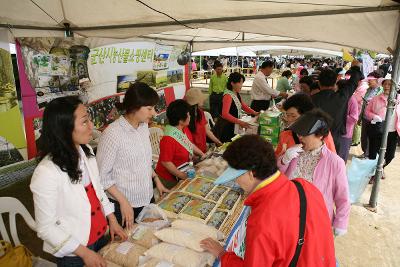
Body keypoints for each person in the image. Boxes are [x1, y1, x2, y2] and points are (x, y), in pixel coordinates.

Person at [200, 135, 336, 266]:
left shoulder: (261, 220)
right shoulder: (304, 186)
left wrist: (222, 254)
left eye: (236, 176)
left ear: (251, 173)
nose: (236, 180)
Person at [30, 96, 127, 267]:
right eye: (84, 122)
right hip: (74, 251)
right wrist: (84, 253)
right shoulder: (46, 173)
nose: (92, 126)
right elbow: (45, 228)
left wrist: (112, 220)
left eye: (89, 118)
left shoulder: (86, 151)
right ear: (64, 129)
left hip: (100, 237)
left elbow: (98, 192)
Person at [97, 83, 170, 228]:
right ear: (135, 107)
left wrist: (156, 180)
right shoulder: (112, 134)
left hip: (146, 197)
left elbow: (144, 160)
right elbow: (102, 177)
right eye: (149, 108)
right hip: (124, 205)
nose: (154, 113)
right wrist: (123, 202)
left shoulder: (143, 127)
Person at [278, 109, 351, 236]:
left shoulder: (335, 162)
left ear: (320, 135)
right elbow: (279, 178)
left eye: (305, 134)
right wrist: (284, 160)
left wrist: (340, 222)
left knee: (312, 253)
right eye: (299, 133)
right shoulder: (294, 152)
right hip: (289, 213)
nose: (300, 137)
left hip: (316, 220)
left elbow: (343, 197)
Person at [311, 60, 363, 152]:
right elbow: (353, 82)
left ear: (319, 83)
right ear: (335, 83)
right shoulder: (342, 97)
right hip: (335, 139)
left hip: (315, 139)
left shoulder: (311, 99)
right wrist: (355, 67)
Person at [155, 99, 206, 189]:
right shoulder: (168, 139)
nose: (190, 116)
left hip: (184, 169)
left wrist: (202, 155)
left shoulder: (184, 128)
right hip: (169, 179)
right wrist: (182, 176)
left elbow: (189, 144)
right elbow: (166, 162)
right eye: (188, 114)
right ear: (181, 120)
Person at [365, 79, 400, 178]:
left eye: (390, 84)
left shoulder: (398, 99)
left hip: (392, 131)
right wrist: (374, 116)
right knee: (373, 153)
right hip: (378, 129)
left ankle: (380, 168)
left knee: (390, 155)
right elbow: (367, 112)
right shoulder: (376, 98)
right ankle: (373, 173)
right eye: (385, 84)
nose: (387, 86)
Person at [213, 72, 258, 142]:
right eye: (240, 83)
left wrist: (254, 113)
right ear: (232, 83)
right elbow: (225, 114)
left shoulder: (236, 93)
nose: (241, 85)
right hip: (226, 127)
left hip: (233, 125)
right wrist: (240, 122)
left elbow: (243, 105)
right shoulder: (228, 95)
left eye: (242, 83)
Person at [185, 88, 222, 152]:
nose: (203, 100)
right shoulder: (186, 117)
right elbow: (187, 140)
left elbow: (207, 130)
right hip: (193, 153)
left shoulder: (200, 112)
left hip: (203, 149)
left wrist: (218, 142)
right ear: (196, 102)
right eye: (201, 99)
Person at [359, 71, 383, 158]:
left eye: (370, 80)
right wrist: (360, 117)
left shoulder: (381, 91)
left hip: (375, 119)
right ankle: (365, 152)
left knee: (371, 138)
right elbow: (364, 104)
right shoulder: (368, 90)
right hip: (365, 117)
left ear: (377, 80)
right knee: (364, 137)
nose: (368, 82)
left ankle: (368, 154)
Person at [336, 80, 360, 161]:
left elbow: (354, 118)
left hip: (345, 134)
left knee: (341, 157)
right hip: (335, 131)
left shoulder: (352, 100)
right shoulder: (337, 97)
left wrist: (340, 115)